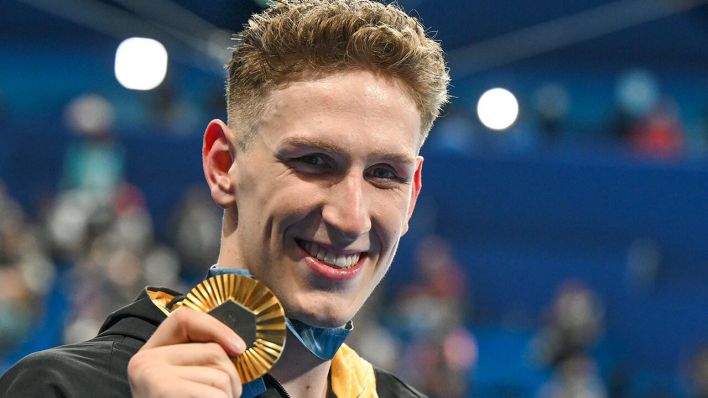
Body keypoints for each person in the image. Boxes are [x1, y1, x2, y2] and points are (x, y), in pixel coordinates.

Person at [0, 0, 449, 396]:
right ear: (223, 166)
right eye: (314, 161)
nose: (352, 218)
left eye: (385, 174)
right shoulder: (58, 389)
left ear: (412, 196)